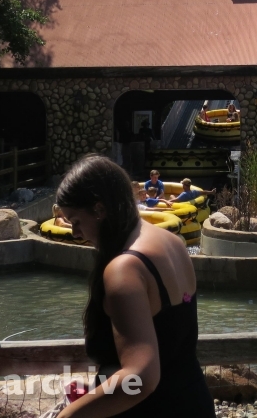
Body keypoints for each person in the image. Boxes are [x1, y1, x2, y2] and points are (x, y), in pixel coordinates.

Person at [55, 154, 215, 417]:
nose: (74, 233)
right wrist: (97, 391)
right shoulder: (172, 242)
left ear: (99, 209)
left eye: (75, 221)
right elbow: (170, 345)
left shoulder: (124, 269)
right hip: (194, 402)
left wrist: (69, 416)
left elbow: (141, 378)